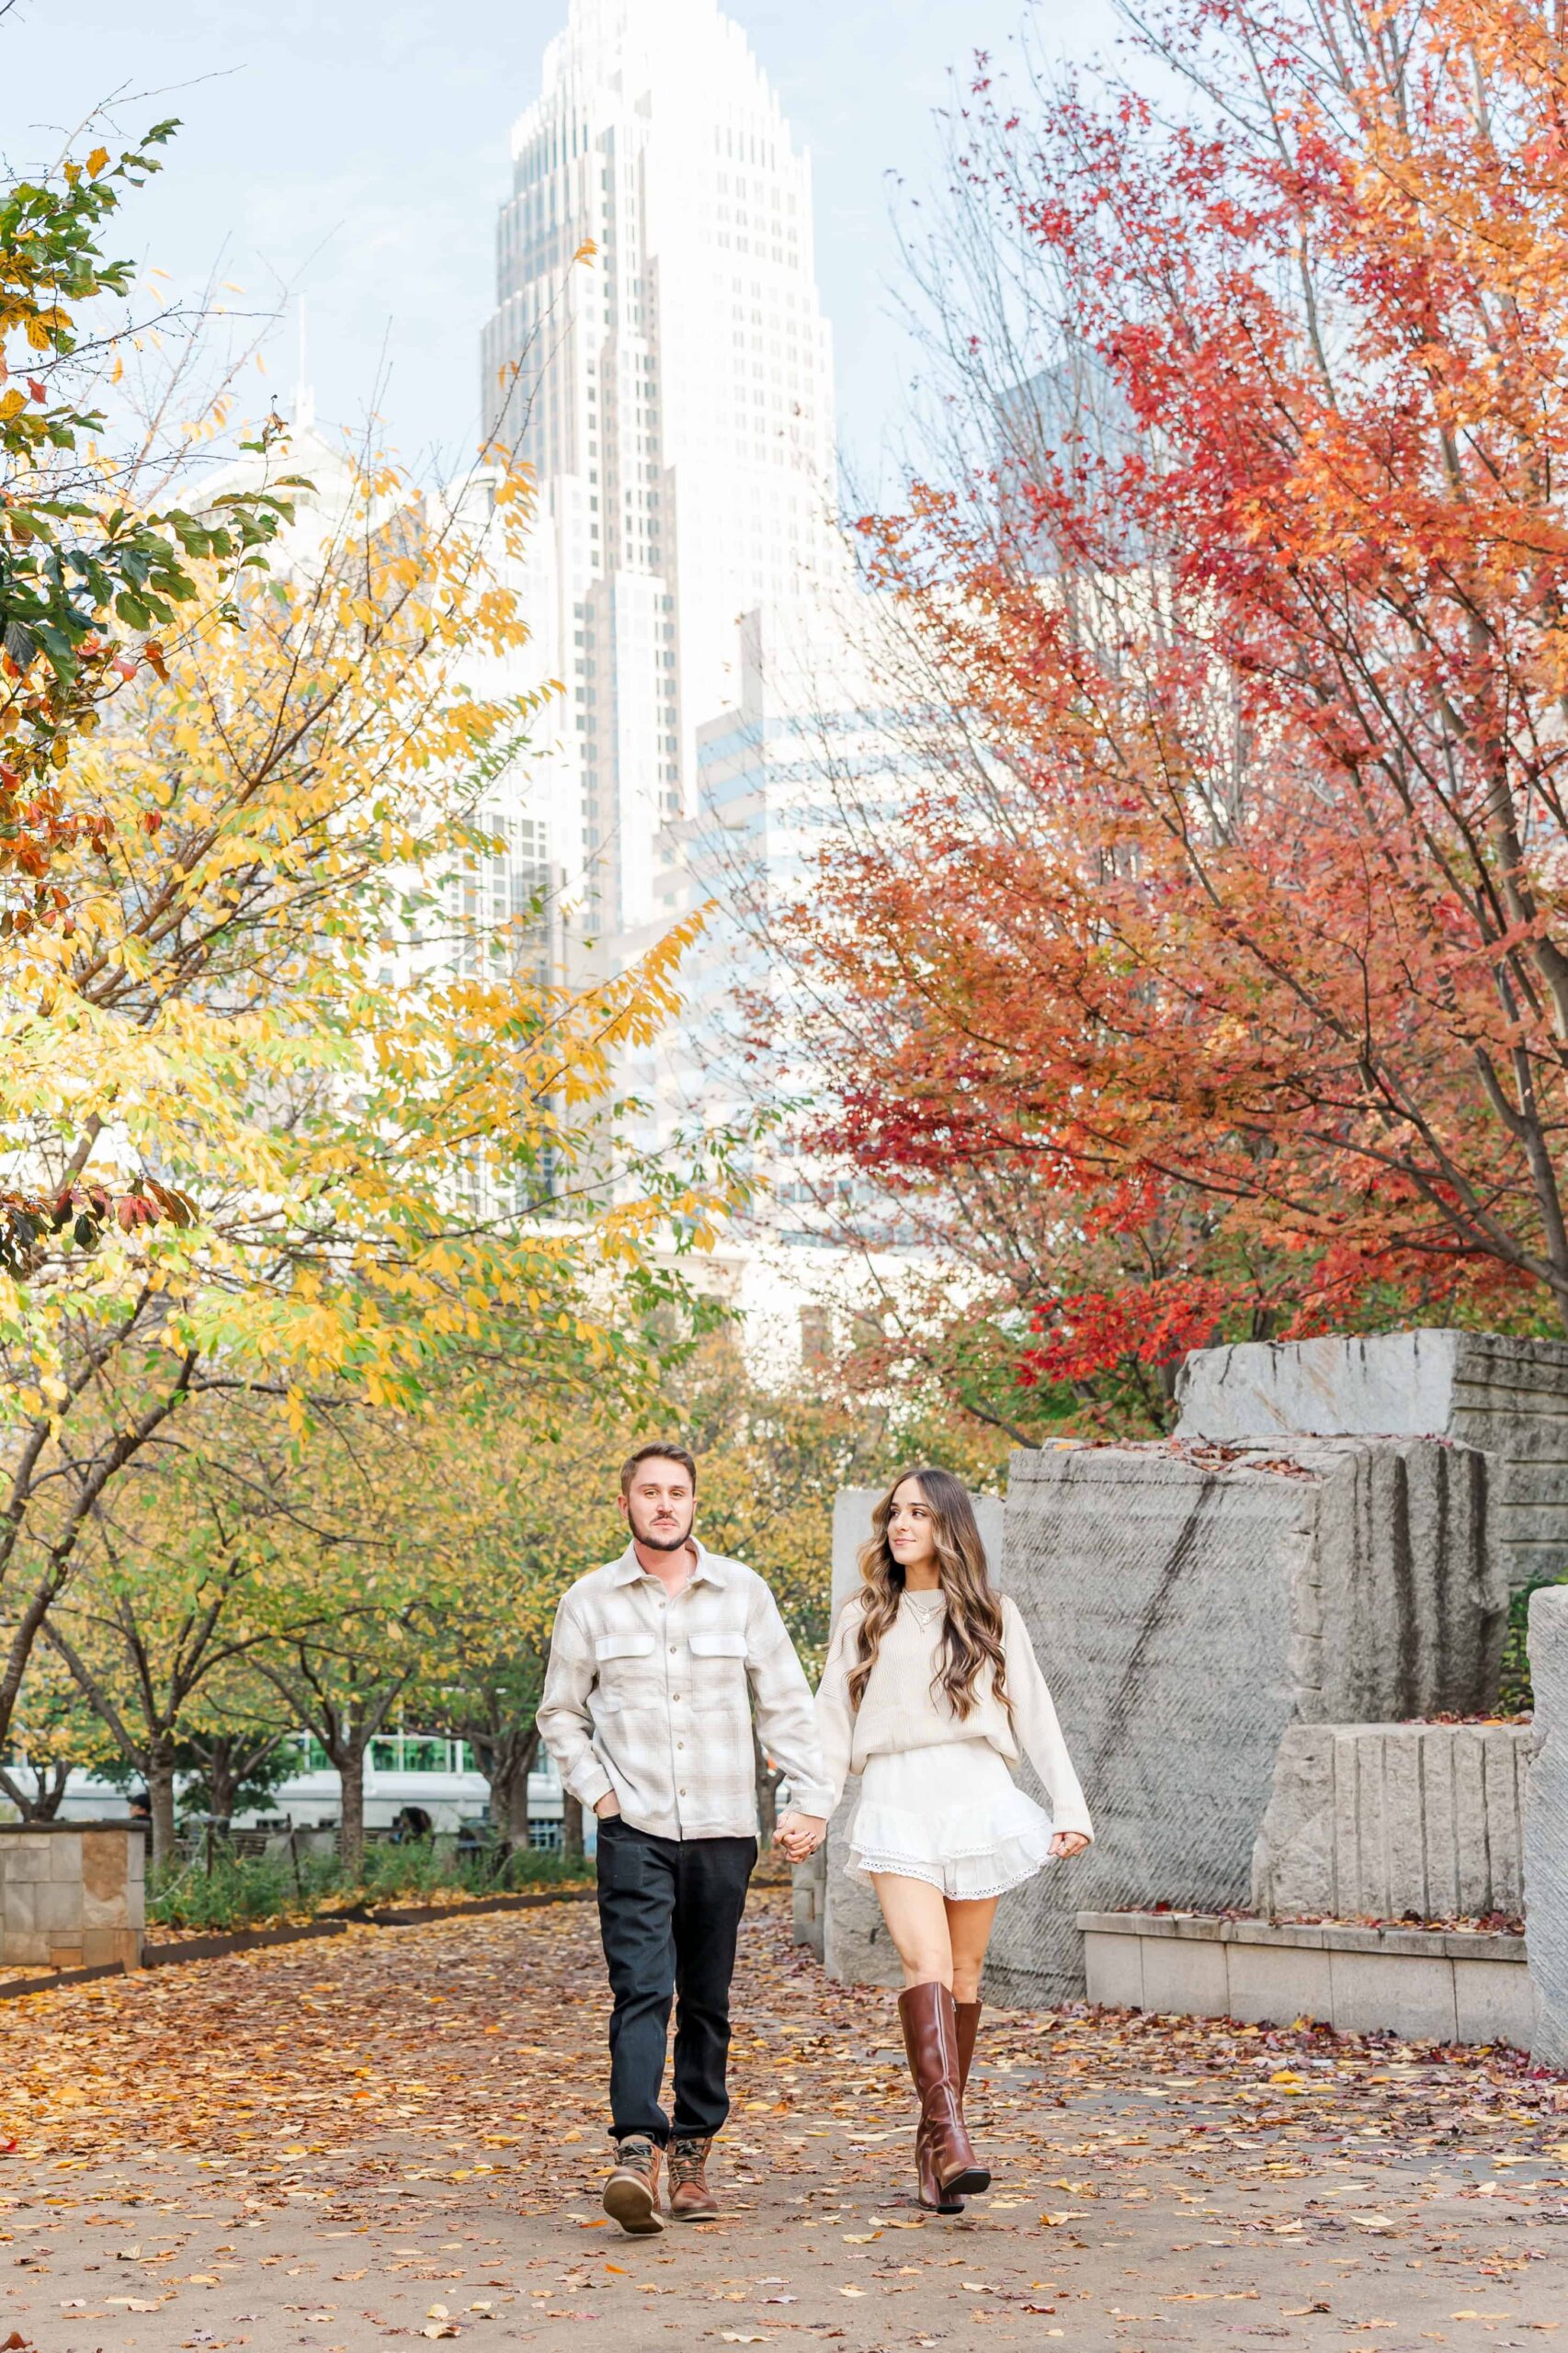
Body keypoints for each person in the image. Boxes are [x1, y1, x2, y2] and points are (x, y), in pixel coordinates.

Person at [536, 1442, 832, 2235]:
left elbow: (787, 1707)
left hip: (723, 1831)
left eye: (677, 1492)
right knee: (642, 1988)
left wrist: (811, 1801)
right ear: (626, 1504)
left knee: (707, 1998)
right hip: (633, 1828)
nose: (664, 1504)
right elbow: (559, 1712)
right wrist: (600, 1796)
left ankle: (694, 2153)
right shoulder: (588, 1601)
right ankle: (637, 2147)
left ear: (695, 1503)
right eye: (649, 1492)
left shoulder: (743, 1594)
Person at [814, 1466, 1093, 2213]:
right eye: (894, 1514)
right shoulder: (864, 1617)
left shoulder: (993, 1615)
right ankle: (949, 2131)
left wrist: (1069, 1805)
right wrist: (812, 1806)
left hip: (976, 1796)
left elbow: (1036, 1713)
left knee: (965, 1976)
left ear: (949, 1527)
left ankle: (937, 2145)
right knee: (925, 1959)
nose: (902, 1526)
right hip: (897, 1796)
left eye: (919, 1514)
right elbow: (828, 1725)